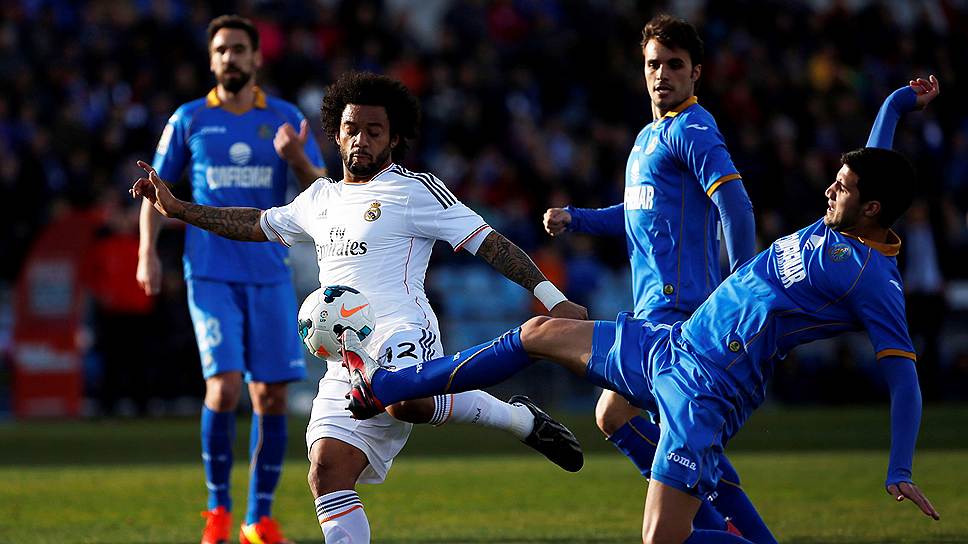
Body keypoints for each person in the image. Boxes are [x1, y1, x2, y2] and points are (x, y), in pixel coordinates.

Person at [340, 76, 942, 543]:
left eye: (844, 187)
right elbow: (875, 155)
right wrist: (897, 103)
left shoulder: (872, 281)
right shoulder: (840, 224)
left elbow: (904, 379)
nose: (831, 189)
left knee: (661, 539)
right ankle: (392, 382)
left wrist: (899, 468)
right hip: (670, 345)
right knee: (541, 332)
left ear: (873, 210)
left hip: (708, 385)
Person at [131, 71, 588, 544]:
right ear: (336, 131)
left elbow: (490, 244)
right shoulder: (319, 198)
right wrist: (180, 208)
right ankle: (517, 416)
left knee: (407, 398)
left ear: (394, 138)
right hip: (344, 354)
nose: (361, 140)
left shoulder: (417, 189)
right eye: (353, 129)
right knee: (327, 470)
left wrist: (553, 298)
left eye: (375, 131)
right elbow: (255, 223)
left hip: (403, 328)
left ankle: (517, 419)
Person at [542, 14, 769, 540]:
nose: (662, 74)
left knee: (648, 447)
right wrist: (578, 218)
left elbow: (735, 205)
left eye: (674, 65)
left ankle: (721, 530)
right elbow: (637, 211)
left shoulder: (692, 127)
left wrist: (741, 288)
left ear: (696, 74)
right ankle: (730, 529)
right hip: (652, 313)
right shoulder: (648, 138)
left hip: (683, 314)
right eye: (653, 64)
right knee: (622, 421)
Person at [135, 15, 327, 544]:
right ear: (212, 59)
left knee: (269, 398)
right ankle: (217, 512)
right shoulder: (190, 118)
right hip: (211, 271)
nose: (230, 58)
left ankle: (257, 520)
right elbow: (157, 188)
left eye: (240, 49)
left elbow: (324, 193)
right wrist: (147, 250)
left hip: (268, 272)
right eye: (222, 50)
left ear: (257, 58)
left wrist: (297, 160)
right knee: (223, 387)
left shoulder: (285, 118)